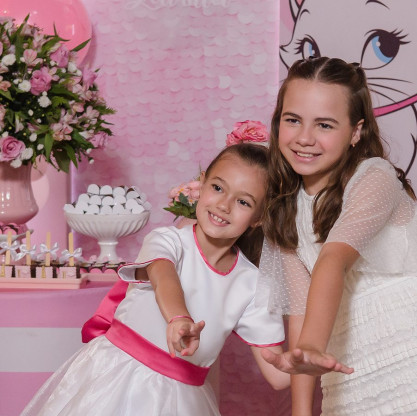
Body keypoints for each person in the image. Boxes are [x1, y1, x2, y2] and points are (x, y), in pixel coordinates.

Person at [257, 57, 417, 416]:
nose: (304, 138)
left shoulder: (375, 177)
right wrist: (301, 409)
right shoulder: (283, 204)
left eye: (324, 124)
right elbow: (301, 309)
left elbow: (333, 259)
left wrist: (312, 345)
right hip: (351, 361)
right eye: (293, 120)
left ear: (356, 131)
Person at [22, 143, 289, 416]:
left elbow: (278, 374)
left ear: (259, 218)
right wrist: (178, 318)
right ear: (202, 184)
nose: (224, 205)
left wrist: (305, 362)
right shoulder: (167, 240)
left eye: (243, 202)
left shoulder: (252, 283)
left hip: (183, 399)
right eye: (218, 188)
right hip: (115, 377)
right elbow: (163, 276)